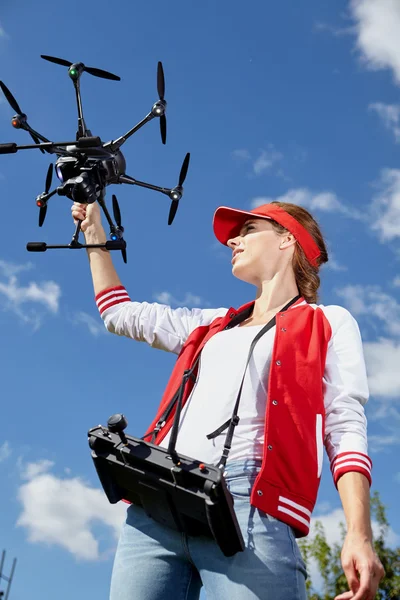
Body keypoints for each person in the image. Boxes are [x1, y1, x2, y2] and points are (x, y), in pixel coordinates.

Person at [72, 200, 385, 600]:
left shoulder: (328, 322)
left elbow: (345, 424)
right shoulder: (213, 324)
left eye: (248, 230)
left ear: (288, 238)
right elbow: (117, 312)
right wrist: (95, 235)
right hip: (157, 502)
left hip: (250, 504)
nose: (233, 240)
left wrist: (359, 533)